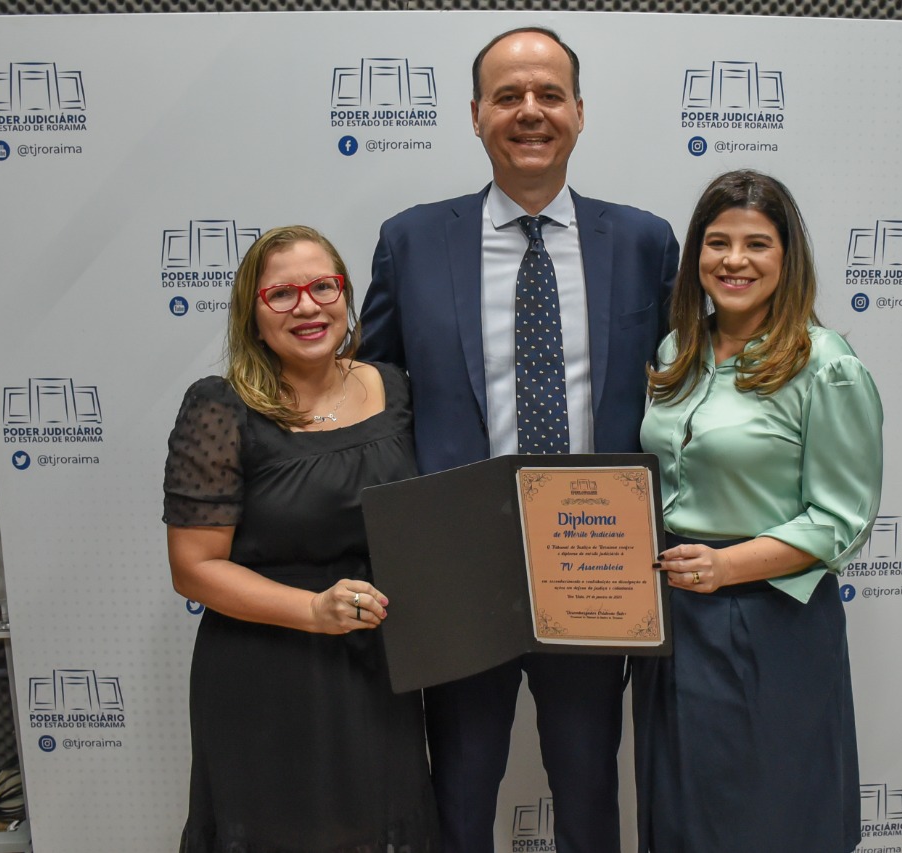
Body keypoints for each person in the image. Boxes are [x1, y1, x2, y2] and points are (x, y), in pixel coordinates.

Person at [359, 26, 678, 853]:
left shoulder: (644, 242)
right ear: (474, 115)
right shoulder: (412, 241)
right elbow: (373, 396)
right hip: (459, 569)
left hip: (598, 562)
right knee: (459, 793)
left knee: (590, 788)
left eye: (547, 95)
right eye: (507, 96)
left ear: (579, 112)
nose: (529, 112)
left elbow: (687, 386)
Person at [163, 225, 439, 852]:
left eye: (323, 287)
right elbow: (194, 568)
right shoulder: (220, 408)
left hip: (376, 665)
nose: (308, 307)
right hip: (266, 670)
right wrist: (314, 611)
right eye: (281, 295)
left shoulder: (396, 389)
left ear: (347, 296)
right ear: (251, 313)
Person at [633, 170, 884, 853]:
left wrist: (725, 566)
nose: (734, 260)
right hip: (674, 612)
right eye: (717, 242)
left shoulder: (824, 364)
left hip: (768, 615)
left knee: (766, 812)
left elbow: (842, 517)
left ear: (787, 256)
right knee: (679, 806)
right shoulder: (675, 353)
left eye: (756, 243)